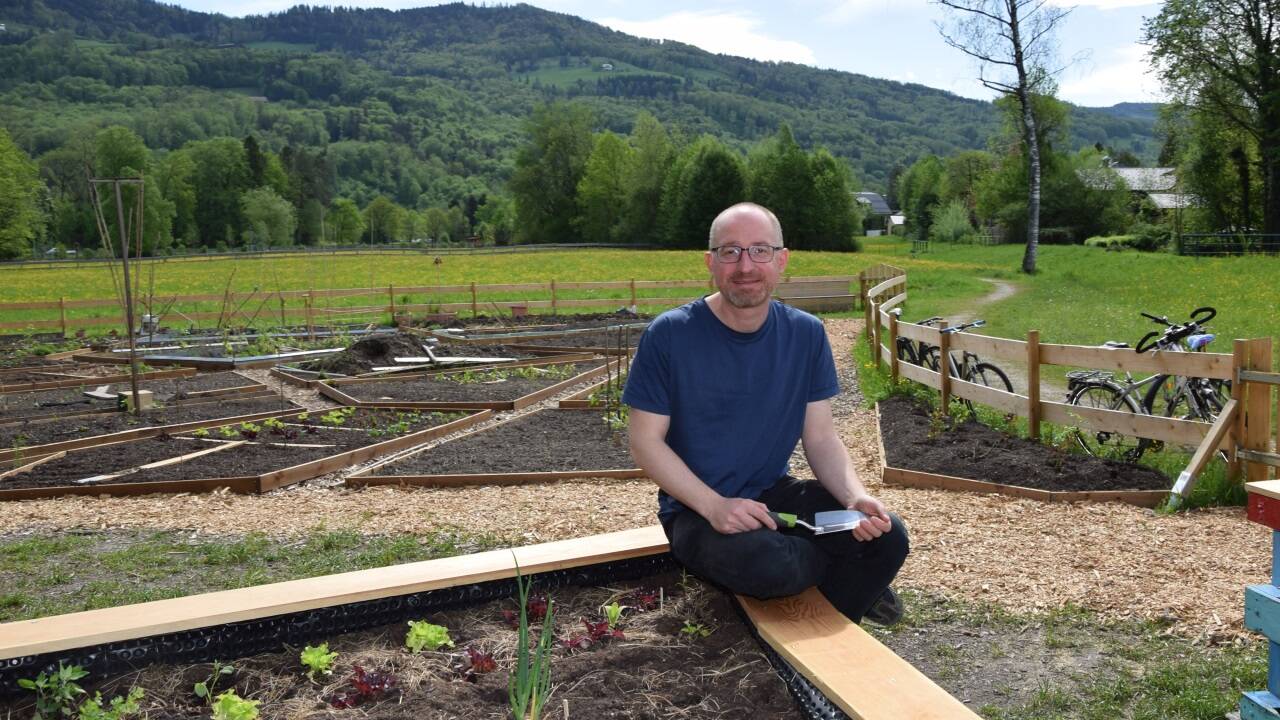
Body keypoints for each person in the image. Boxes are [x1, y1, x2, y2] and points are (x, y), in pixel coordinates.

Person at [622, 202, 909, 625]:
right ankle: (848, 580)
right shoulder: (670, 334)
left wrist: (853, 496)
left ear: (781, 259)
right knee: (769, 563)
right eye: (730, 251)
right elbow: (644, 442)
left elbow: (821, 438)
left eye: (759, 250)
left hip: (774, 496)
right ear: (710, 263)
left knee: (887, 534)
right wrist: (715, 506)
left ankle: (834, 622)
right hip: (697, 509)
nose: (745, 266)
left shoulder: (806, 334)